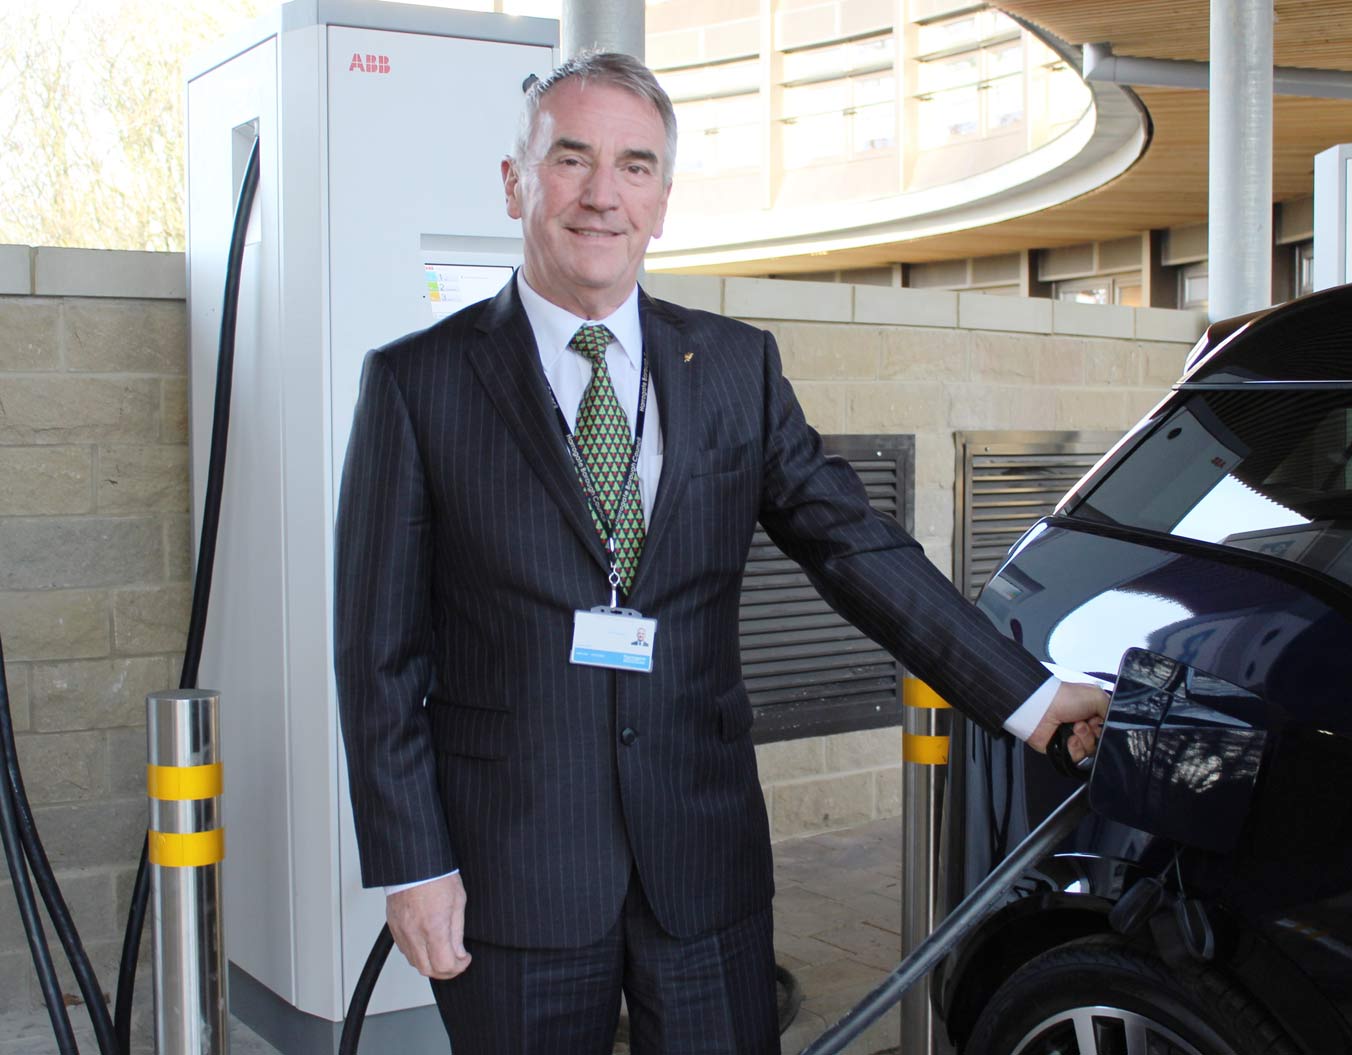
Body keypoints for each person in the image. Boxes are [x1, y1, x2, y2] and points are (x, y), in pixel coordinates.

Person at [334, 51, 1107, 1055]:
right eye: (572, 160)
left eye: (636, 166)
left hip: (702, 863)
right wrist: (413, 860)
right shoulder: (418, 384)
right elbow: (377, 651)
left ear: (662, 200)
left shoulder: (735, 368)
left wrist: (1032, 696)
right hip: (511, 869)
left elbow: (855, 544)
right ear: (516, 180)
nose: (603, 194)